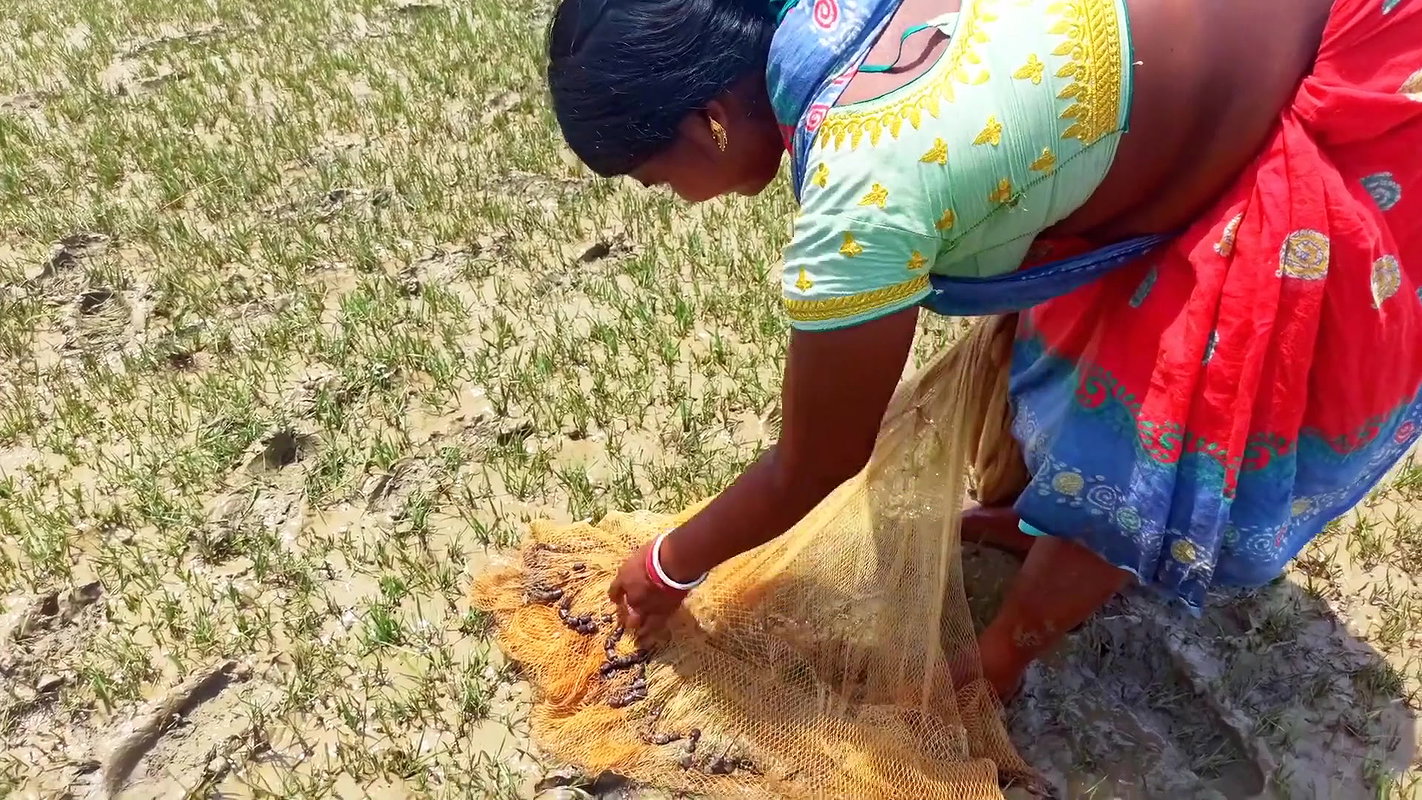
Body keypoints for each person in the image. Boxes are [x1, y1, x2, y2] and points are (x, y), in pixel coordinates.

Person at [548, 0, 1422, 699]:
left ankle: (999, 663)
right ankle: (1029, 522)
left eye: (650, 175)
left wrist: (670, 564)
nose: (670, 197)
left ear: (709, 120)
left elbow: (815, 462)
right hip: (1242, 55)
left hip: (1343, 92)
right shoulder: (839, 20)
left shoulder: (862, 194)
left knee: (1137, 435)